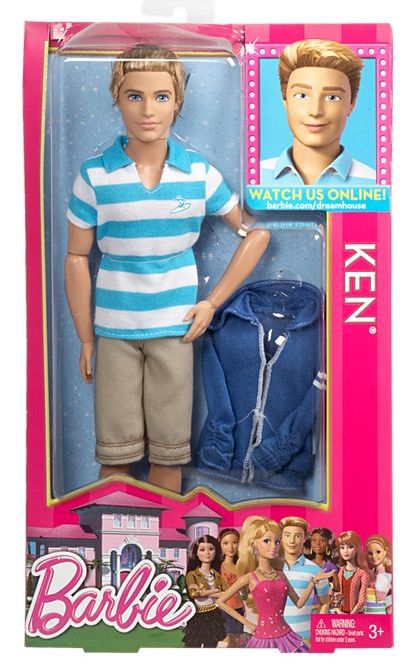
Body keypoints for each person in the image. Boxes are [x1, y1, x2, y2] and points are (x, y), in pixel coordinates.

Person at [65, 45, 270, 493]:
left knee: (168, 452)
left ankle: (166, 533)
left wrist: (211, 304)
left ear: (178, 101)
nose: (148, 110)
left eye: (161, 96)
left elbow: (254, 235)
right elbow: (76, 256)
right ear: (116, 98)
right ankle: (110, 529)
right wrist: (86, 338)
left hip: (177, 329)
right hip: (115, 331)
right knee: (116, 455)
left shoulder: (197, 173)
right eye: (134, 96)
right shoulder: (95, 176)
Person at [260, 39, 376, 186]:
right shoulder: (255, 177)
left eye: (332, 97)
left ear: (351, 104)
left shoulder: (374, 183)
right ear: (285, 100)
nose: (315, 111)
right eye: (302, 95)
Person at [216, 516, 328, 652]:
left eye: (277, 541)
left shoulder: (280, 574)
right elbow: (220, 601)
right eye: (267, 541)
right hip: (263, 637)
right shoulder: (250, 578)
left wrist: (313, 582)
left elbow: (299, 603)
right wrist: (248, 623)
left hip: (287, 635)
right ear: (254, 544)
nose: (274, 546)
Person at [280, 516, 330, 646]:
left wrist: (317, 634)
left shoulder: (315, 570)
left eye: (297, 536)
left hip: (305, 640)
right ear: (281, 538)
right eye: (287, 535)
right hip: (276, 639)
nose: (292, 541)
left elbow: (325, 603)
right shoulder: (272, 568)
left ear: (304, 539)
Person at [183, 535, 227, 647]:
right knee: (194, 643)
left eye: (211, 549)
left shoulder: (216, 574)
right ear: (196, 553)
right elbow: (194, 594)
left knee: (212, 643)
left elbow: (226, 593)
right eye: (202, 550)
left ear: (216, 552)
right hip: (198, 615)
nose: (207, 553)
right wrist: (214, 590)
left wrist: (204, 592)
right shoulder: (192, 575)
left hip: (214, 614)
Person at [217, 528, 244, 646]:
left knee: (236, 642)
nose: (231, 547)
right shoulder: (219, 567)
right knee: (225, 642)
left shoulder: (240, 567)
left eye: (235, 542)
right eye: (226, 543)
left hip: (239, 609)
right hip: (223, 610)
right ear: (220, 545)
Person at [304, 527, 340, 611]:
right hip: (307, 605)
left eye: (322, 541)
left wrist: (329, 588)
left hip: (323, 606)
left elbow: (337, 587)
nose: (317, 544)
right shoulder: (306, 564)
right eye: (314, 540)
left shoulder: (330, 566)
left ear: (328, 544)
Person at [335, 530, 369, 614]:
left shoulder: (362, 574)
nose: (345, 551)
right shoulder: (339, 571)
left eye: (350, 547)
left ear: (357, 549)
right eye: (342, 547)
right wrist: (338, 611)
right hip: (339, 615)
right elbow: (334, 594)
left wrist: (351, 615)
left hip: (356, 615)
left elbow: (362, 600)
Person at [365, 534, 392, 614]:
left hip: (380, 613)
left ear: (385, 552)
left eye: (378, 552)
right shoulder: (367, 574)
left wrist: (390, 606)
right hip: (366, 613)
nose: (374, 556)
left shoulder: (388, 576)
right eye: (370, 553)